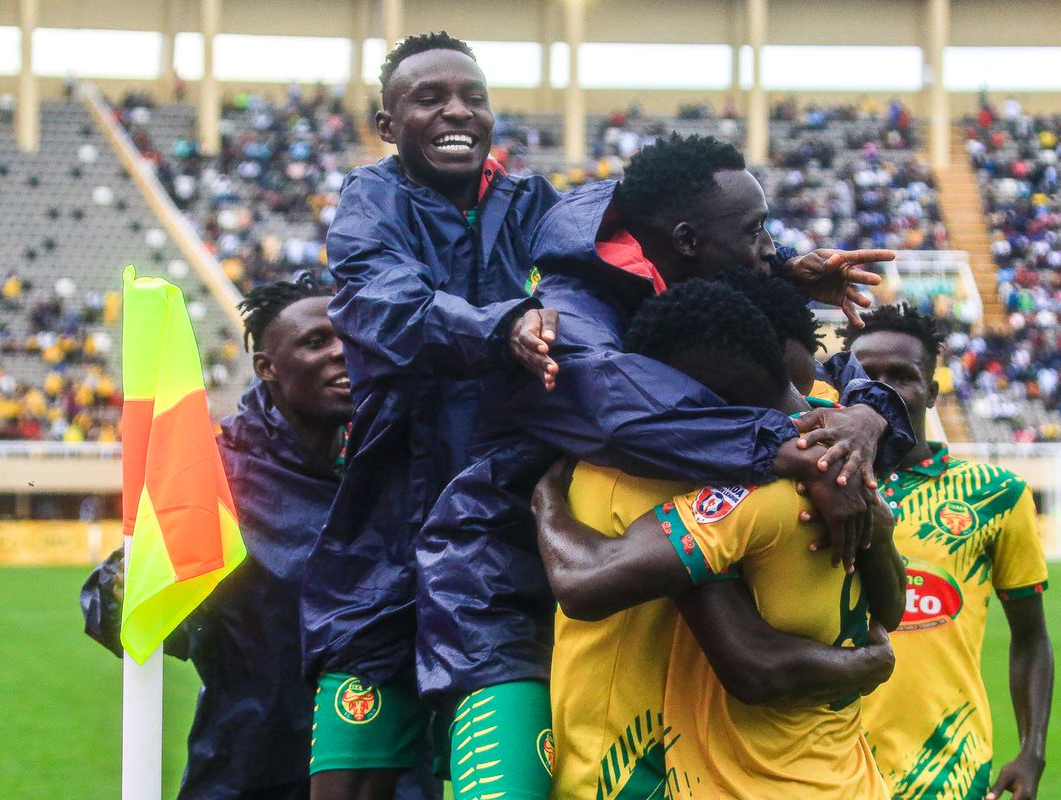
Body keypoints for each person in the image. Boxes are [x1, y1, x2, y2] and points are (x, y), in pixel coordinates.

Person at [415, 134, 916, 789]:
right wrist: (803, 447)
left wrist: (864, 419)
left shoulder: (703, 297)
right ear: (685, 241)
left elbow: (849, 380)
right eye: (759, 233)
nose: (774, 251)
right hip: (500, 595)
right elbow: (629, 414)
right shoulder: (575, 322)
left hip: (629, 599)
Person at [303, 32, 562, 800]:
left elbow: (647, 254)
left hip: (505, 555)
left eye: (473, 97)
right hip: (383, 549)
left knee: (504, 787)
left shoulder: (538, 206)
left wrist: (779, 265)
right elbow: (386, 302)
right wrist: (504, 324)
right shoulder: (369, 202)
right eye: (430, 98)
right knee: (347, 788)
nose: (458, 111)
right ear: (388, 126)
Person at [532, 278, 906, 797]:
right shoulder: (842, 448)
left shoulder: (745, 492)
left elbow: (582, 583)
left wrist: (543, 495)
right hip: (851, 779)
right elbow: (891, 610)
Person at [81, 279, 440, 800]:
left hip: (387, 767)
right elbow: (138, 619)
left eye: (348, 337)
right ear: (267, 367)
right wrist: (120, 588)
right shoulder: (219, 475)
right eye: (315, 342)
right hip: (253, 769)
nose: (341, 352)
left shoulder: (404, 457)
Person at [842, 305, 1053, 800]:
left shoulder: (994, 493)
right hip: (820, 766)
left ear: (932, 392)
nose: (882, 388)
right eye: (866, 375)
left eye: (902, 375)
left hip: (946, 772)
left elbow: (1031, 636)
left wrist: (1032, 750)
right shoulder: (806, 483)